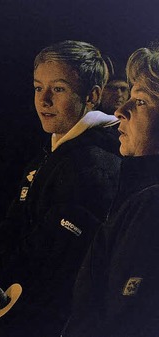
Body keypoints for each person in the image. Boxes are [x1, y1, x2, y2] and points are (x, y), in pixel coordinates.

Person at [0, 40, 121, 336]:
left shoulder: (92, 165)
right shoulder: (52, 152)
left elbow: (53, 263)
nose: (44, 100)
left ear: (92, 96)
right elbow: (15, 228)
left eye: (58, 89)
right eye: (38, 87)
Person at [63, 46, 159, 337]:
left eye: (140, 101)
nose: (121, 111)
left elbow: (122, 319)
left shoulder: (151, 204)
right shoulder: (135, 190)